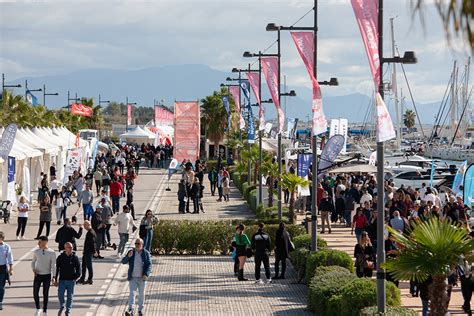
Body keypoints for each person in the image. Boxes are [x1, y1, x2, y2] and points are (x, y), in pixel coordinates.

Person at [122, 238, 152, 316]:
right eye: (136, 243)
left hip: (142, 278)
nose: (137, 245)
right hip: (133, 277)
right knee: (132, 293)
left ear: (142, 245)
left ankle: (140, 310)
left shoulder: (146, 253)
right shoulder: (131, 252)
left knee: (141, 294)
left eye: (138, 244)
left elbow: (149, 265)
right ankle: (130, 310)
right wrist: (128, 256)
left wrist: (146, 274)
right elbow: (123, 261)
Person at [31, 236, 56, 316]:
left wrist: (54, 276)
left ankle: (45, 311)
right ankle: (38, 308)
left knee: (45, 293)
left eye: (40, 241)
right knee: (35, 292)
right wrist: (33, 269)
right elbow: (33, 262)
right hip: (38, 275)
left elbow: (53, 265)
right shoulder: (36, 251)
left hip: (47, 275)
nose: (38, 243)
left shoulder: (52, 252)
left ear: (45, 242)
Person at [55, 242, 81, 316]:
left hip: (71, 281)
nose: (71, 249)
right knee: (60, 294)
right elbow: (56, 269)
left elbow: (79, 269)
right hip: (62, 280)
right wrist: (55, 278)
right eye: (69, 247)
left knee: (70, 297)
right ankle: (62, 306)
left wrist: (75, 277)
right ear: (65, 248)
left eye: (71, 247)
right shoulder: (60, 258)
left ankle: (68, 311)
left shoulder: (75, 258)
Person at [77, 221, 96, 285]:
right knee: (84, 265)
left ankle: (90, 279)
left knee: (89, 266)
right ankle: (82, 278)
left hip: (88, 252)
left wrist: (94, 252)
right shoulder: (90, 232)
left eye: (85, 225)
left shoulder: (91, 232)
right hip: (86, 252)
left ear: (88, 225)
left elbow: (93, 243)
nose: (84, 227)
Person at [0, 232, 13, 310]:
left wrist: (11, 269)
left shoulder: (6, 246)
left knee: (1, 286)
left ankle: (0, 301)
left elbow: (10, 258)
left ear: (2, 238)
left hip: (2, 268)